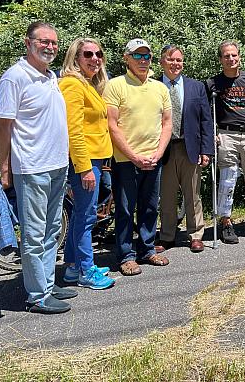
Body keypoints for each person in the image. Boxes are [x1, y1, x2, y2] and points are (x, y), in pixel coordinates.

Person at [0, 21, 75, 313]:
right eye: (43, 41)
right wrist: (5, 167)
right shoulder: (14, 78)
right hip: (31, 167)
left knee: (53, 229)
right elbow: (2, 126)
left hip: (56, 165)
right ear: (27, 43)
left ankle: (47, 283)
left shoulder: (50, 76)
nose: (50, 47)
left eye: (54, 42)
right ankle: (38, 296)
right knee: (34, 233)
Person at [104, 39, 172, 275]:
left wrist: (159, 153)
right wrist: (133, 156)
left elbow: (167, 123)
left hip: (154, 158)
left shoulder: (160, 88)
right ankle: (125, 256)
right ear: (126, 58)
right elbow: (111, 125)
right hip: (125, 160)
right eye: (137, 56)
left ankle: (147, 249)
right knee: (124, 208)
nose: (143, 61)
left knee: (150, 206)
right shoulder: (115, 85)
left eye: (147, 56)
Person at [59, 38, 115, 289]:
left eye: (98, 54)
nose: (95, 58)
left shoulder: (89, 85)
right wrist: (83, 168)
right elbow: (73, 130)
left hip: (95, 158)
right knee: (86, 216)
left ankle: (72, 267)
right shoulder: (72, 85)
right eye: (88, 54)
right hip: (85, 160)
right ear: (76, 58)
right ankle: (86, 271)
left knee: (81, 214)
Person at [206, 40, 245, 242]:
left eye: (234, 55)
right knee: (228, 179)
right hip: (226, 134)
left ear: (239, 56)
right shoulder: (213, 83)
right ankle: (226, 222)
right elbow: (204, 111)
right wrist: (210, 131)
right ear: (221, 59)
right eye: (226, 56)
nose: (231, 59)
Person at [157, 45, 213, 253]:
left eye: (179, 60)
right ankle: (167, 236)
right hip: (164, 149)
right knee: (167, 195)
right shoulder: (154, 86)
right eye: (171, 60)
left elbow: (205, 120)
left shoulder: (196, 87)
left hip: (190, 148)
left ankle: (196, 234)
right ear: (162, 62)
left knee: (193, 194)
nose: (175, 64)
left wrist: (206, 150)